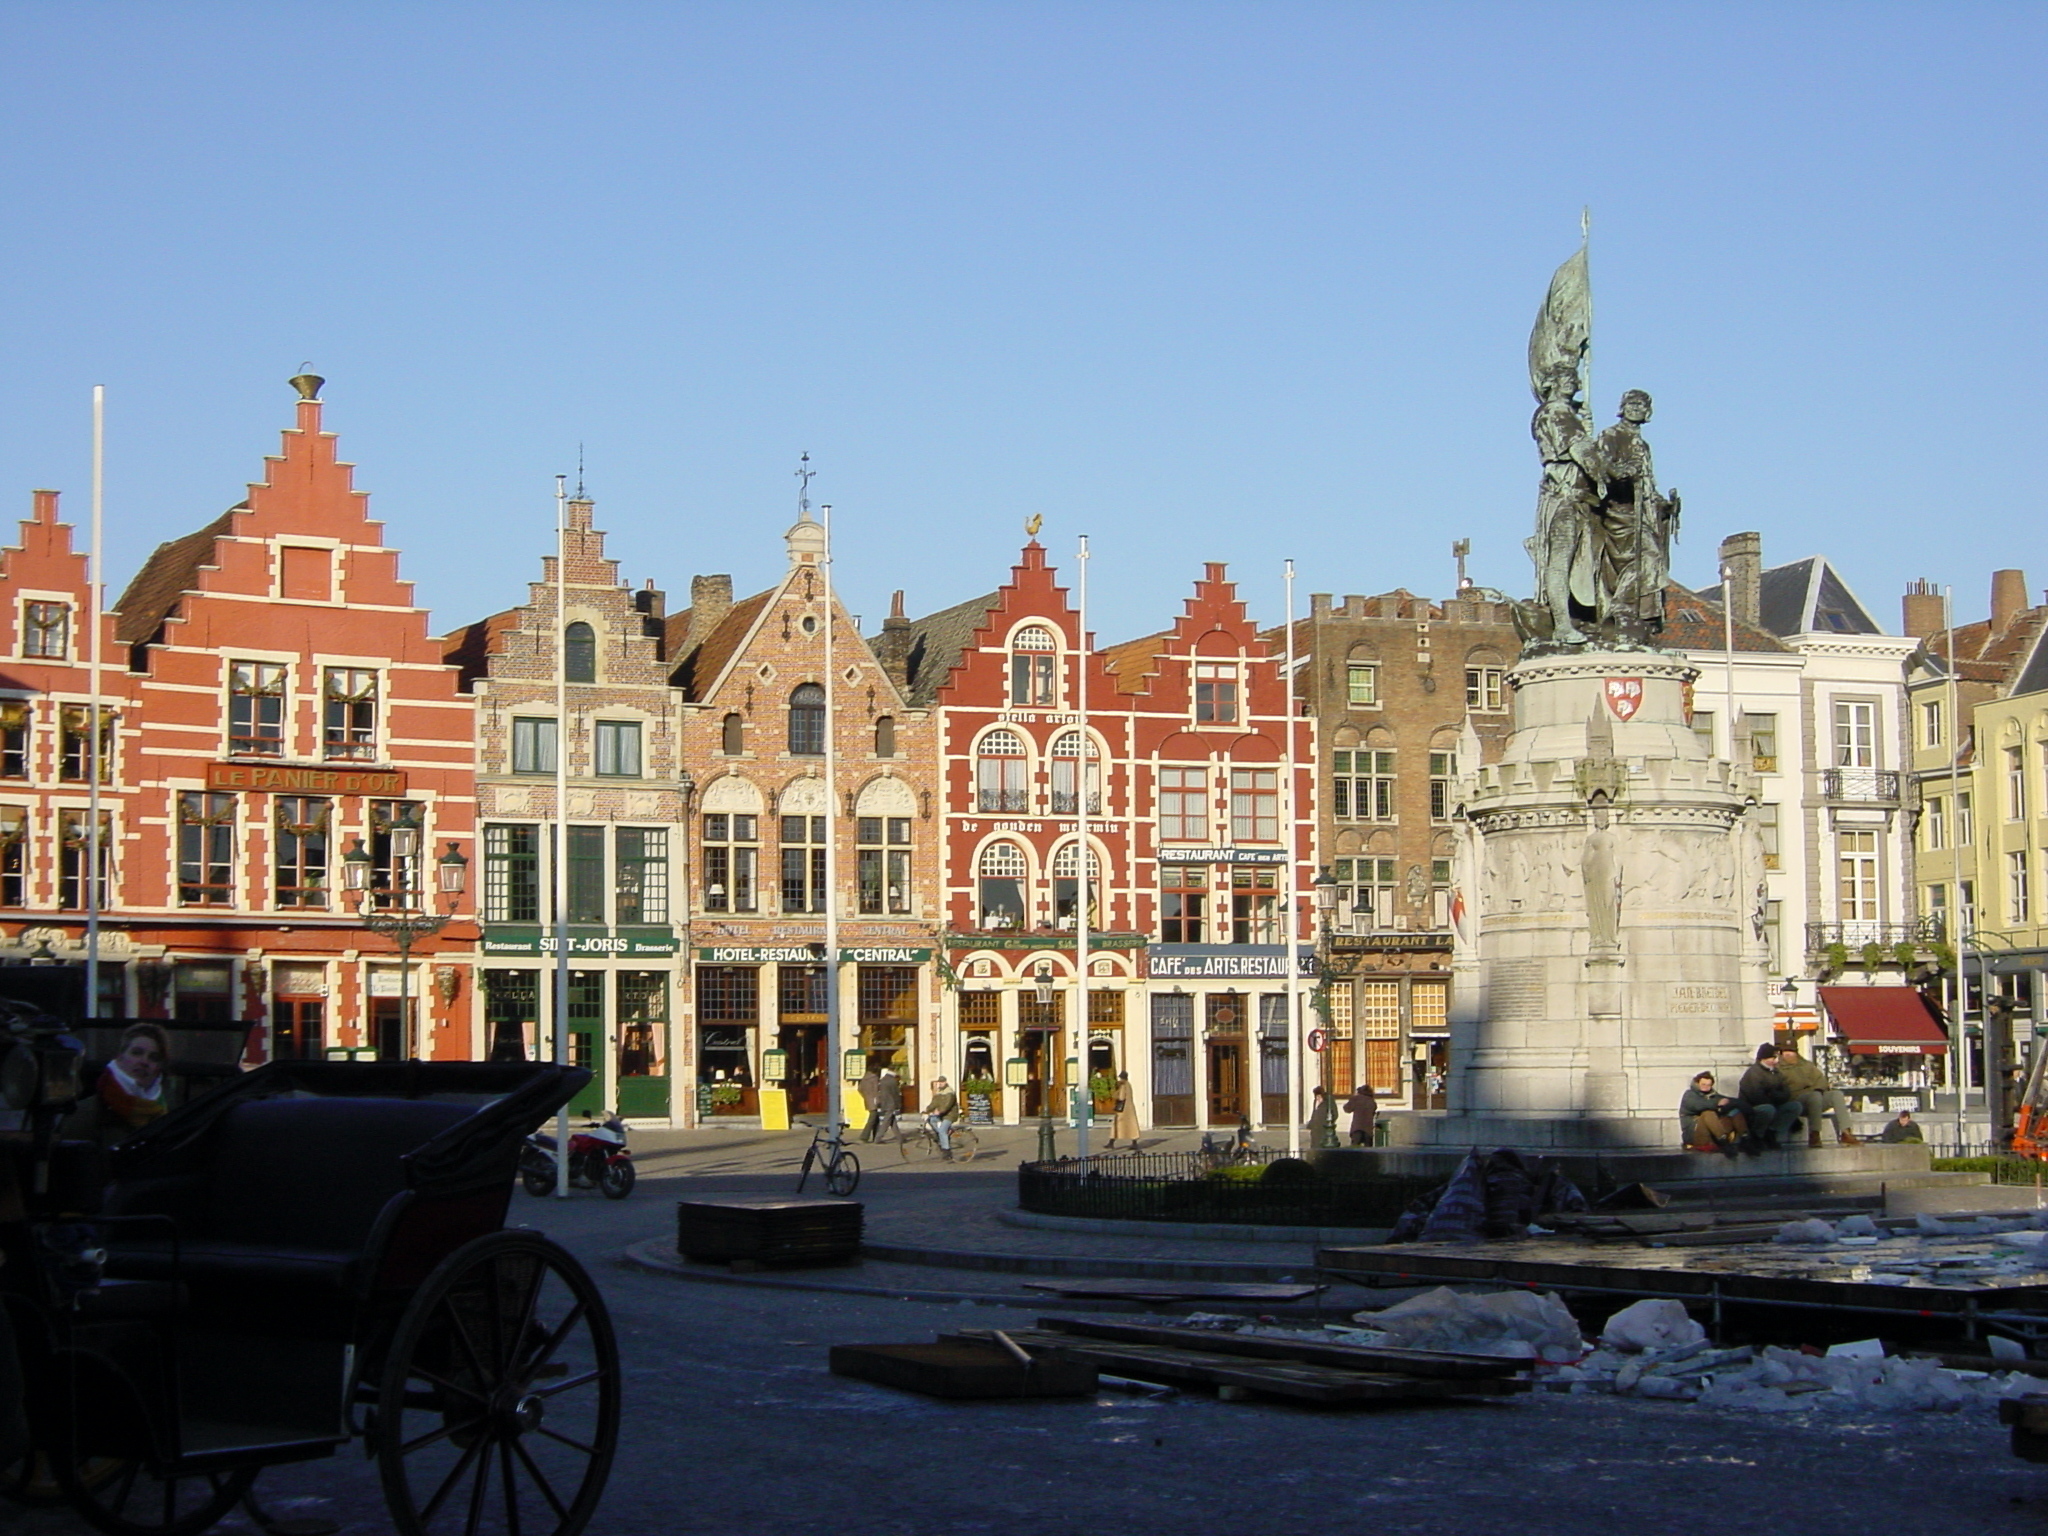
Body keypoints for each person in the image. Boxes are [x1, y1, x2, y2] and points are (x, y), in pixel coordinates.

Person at [60, 1022, 170, 1149]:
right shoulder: (85, 1113)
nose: (144, 1061)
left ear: (159, 1068)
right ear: (120, 1058)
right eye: (136, 1053)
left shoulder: (164, 1116)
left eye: (154, 1057)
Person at [1776, 1045, 1859, 1147]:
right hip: (1796, 1101)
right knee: (1814, 1096)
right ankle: (1814, 1135)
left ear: (1796, 1053)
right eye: (1785, 1051)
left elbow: (1821, 1080)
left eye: (1791, 1051)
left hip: (1815, 1097)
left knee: (1836, 1094)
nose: (1788, 1054)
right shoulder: (1778, 1069)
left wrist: (1818, 1089)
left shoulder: (1807, 1065)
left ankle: (1846, 1132)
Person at [1735, 1044, 1804, 1149]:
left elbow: (1786, 1093)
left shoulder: (1776, 1073)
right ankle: (1757, 1135)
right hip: (1753, 1108)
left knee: (1795, 1106)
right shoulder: (1754, 1073)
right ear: (1764, 1058)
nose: (1776, 1061)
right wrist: (1775, 1096)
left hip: (1774, 1105)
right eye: (1773, 1058)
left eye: (1776, 1058)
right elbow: (1756, 1096)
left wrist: (1772, 1094)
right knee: (1767, 1109)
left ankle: (1772, 1131)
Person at [1678, 1071, 1749, 1158]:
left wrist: (1745, 1107)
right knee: (1708, 1113)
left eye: (1708, 1085)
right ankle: (1723, 1141)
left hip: (1713, 1134)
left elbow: (1727, 1101)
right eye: (1703, 1084)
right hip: (1695, 1135)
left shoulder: (1713, 1095)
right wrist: (1717, 1103)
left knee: (1733, 1111)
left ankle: (1746, 1139)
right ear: (1697, 1083)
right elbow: (1699, 1105)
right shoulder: (1689, 1095)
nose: (1706, 1087)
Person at [923, 1077, 959, 1159]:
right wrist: (927, 1110)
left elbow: (948, 1104)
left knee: (942, 1130)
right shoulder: (939, 1092)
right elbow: (934, 1103)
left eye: (942, 1082)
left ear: (946, 1082)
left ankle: (946, 1150)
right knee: (931, 1119)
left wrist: (940, 1111)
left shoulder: (950, 1092)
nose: (940, 1083)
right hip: (941, 1114)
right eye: (939, 1082)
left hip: (950, 1114)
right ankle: (940, 1137)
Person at [1106, 1070, 1141, 1150]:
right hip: (1129, 1108)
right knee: (1131, 1126)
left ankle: (1111, 1142)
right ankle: (1134, 1143)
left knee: (1117, 1125)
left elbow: (1121, 1097)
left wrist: (1115, 1094)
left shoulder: (1123, 1085)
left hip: (1122, 1109)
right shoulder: (1128, 1085)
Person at [1342, 1082, 1379, 1147]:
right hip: (1368, 1129)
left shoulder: (1356, 1099)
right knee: (1368, 1149)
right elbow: (1373, 1111)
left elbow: (1347, 1109)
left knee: (1355, 1148)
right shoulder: (1371, 1101)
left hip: (1357, 1127)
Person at [873, 1064, 903, 1141]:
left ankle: (899, 1137)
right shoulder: (893, 1081)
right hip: (891, 1103)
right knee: (887, 1121)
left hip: (885, 1102)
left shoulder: (883, 1079)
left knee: (892, 1121)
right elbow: (895, 1093)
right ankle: (878, 1138)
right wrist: (898, 1104)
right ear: (895, 1070)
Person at [855, 1065, 883, 1142]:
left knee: (876, 1119)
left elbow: (859, 1089)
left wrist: (866, 1096)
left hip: (868, 1100)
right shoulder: (875, 1078)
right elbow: (876, 1090)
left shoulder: (865, 1078)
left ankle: (876, 1137)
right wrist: (878, 1099)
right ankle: (864, 1136)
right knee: (872, 1119)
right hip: (874, 1100)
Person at [1307, 1085, 1338, 1150]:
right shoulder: (1315, 1101)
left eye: (1319, 1096)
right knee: (1315, 1146)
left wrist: (1329, 1123)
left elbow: (1335, 1114)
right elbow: (1314, 1112)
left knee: (1323, 1145)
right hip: (1315, 1129)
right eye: (1316, 1096)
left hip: (1324, 1128)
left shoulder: (1328, 1102)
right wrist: (1311, 1123)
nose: (1317, 1098)